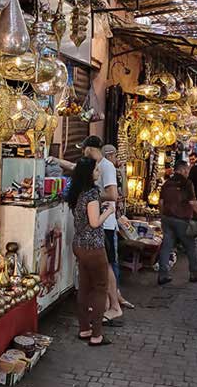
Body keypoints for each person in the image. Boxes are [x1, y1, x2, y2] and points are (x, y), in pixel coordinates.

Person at [49, 136, 124, 325]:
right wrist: (57, 161)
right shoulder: (94, 169)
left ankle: (113, 306)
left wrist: (93, 199)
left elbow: (113, 195)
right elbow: (78, 168)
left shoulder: (104, 168)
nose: (82, 153)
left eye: (84, 150)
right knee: (99, 273)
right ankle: (106, 306)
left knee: (105, 269)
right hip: (94, 231)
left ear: (90, 149)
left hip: (101, 228)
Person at [66, 157, 115, 346]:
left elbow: (86, 217)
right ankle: (97, 335)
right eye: (96, 170)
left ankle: (84, 329)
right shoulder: (92, 194)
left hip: (79, 245)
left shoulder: (77, 192)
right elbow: (94, 223)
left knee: (84, 288)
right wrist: (109, 212)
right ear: (89, 173)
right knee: (100, 289)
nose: (99, 172)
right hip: (93, 247)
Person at [158, 160, 197, 285]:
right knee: (191, 246)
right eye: (186, 171)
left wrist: (162, 215)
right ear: (182, 170)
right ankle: (194, 272)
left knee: (166, 246)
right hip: (182, 219)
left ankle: (162, 274)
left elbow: (161, 203)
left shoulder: (167, 184)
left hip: (167, 218)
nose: (187, 173)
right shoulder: (187, 183)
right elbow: (192, 202)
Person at [102, 144, 134, 310]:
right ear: (111, 155)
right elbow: (117, 195)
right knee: (110, 261)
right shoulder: (105, 169)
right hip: (106, 222)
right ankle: (114, 298)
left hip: (111, 221)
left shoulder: (111, 171)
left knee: (110, 261)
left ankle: (114, 297)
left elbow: (124, 193)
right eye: (115, 156)